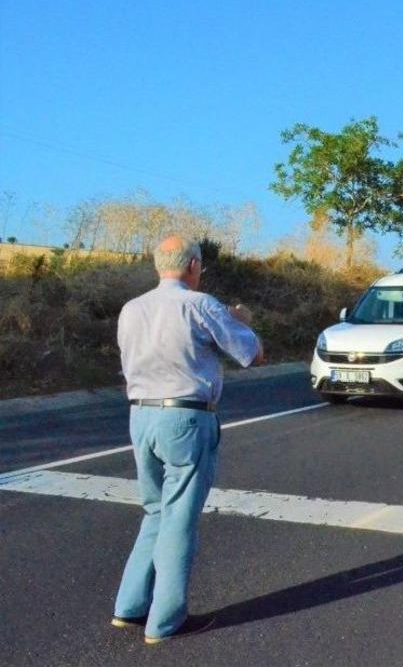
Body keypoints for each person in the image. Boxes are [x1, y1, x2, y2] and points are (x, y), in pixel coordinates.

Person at [112, 236, 263, 644]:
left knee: (155, 510)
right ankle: (166, 620)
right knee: (179, 518)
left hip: (140, 415)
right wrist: (241, 321)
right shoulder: (201, 305)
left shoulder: (132, 309)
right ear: (193, 265)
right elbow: (251, 353)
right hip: (186, 418)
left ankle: (129, 606)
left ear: (158, 265)